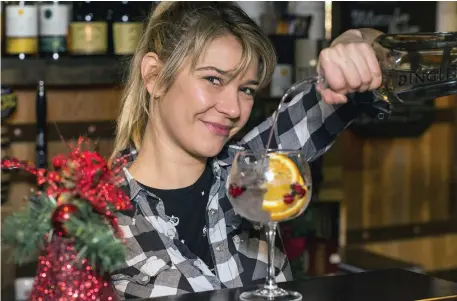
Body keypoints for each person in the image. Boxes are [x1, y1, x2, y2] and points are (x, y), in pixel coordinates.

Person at [109, 1, 383, 299]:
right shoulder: (99, 214)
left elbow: (362, 77)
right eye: (213, 79)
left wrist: (355, 43)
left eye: (246, 90)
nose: (233, 108)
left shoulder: (252, 170)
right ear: (154, 76)